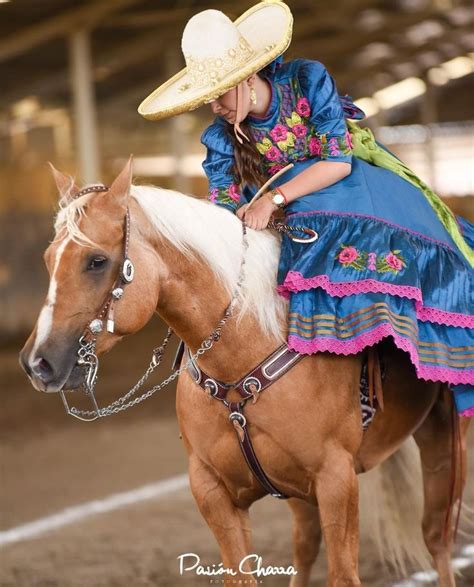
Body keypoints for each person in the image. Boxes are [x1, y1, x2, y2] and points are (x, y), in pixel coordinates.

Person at [138, 1, 474, 416]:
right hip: (281, 210)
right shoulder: (220, 137)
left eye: (219, 92)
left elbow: (337, 161)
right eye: (206, 98)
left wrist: (273, 199)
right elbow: (221, 205)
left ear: (246, 78)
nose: (214, 107)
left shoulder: (306, 79)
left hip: (342, 186)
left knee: (342, 248)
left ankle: (378, 376)